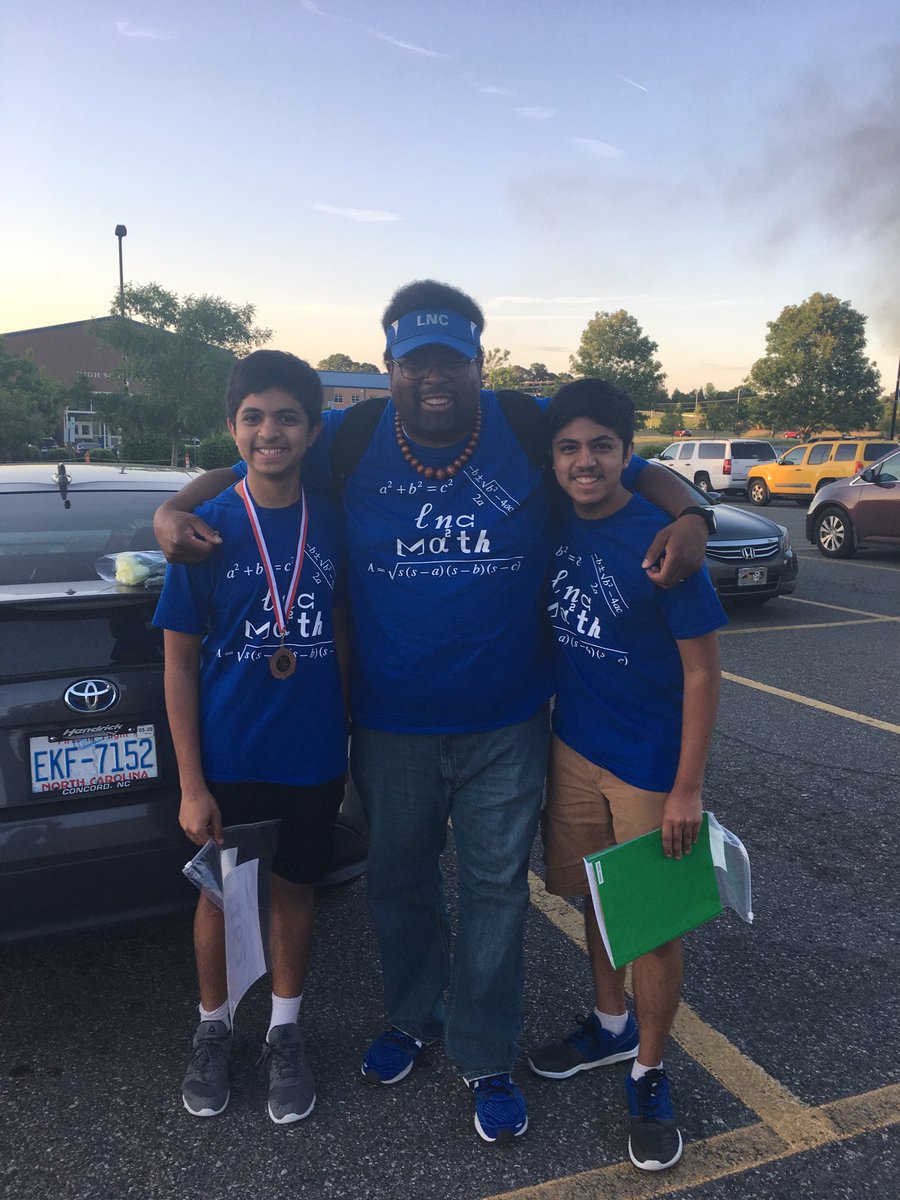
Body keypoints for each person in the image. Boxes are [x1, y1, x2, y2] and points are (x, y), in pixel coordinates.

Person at [153, 280, 709, 1144]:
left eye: (452, 360)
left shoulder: (524, 424)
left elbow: (632, 464)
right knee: (401, 884)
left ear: (480, 364)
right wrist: (173, 508)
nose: (434, 378)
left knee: (495, 894)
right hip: (390, 726)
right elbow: (257, 462)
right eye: (416, 363)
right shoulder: (355, 436)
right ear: (390, 368)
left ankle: (485, 1053)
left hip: (506, 723)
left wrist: (695, 515)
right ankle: (414, 1017)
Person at [526, 378, 727, 1170]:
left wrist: (688, 788)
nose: (585, 462)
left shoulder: (662, 541)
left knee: (652, 923)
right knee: (595, 896)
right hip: (573, 746)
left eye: (602, 447)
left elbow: (704, 672)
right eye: (569, 448)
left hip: (648, 766)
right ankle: (611, 1025)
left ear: (626, 452)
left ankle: (649, 1069)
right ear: (553, 458)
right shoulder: (554, 519)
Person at [153, 350, 349, 1125]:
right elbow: (178, 662)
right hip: (231, 754)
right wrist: (190, 783)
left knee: (296, 890)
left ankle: (284, 1029)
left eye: (287, 418)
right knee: (222, 896)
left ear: (312, 430)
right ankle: (214, 1026)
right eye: (254, 417)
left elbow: (343, 629)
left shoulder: (331, 517)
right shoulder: (205, 529)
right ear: (232, 428)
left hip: (311, 753)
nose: (271, 432)